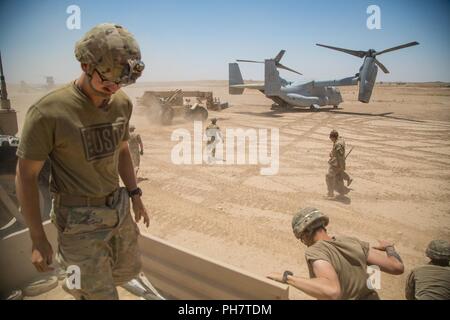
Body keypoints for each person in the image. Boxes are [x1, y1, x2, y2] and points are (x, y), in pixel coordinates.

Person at [15, 23, 149, 300]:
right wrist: (37, 237)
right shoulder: (48, 112)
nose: (113, 88)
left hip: (118, 207)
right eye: (107, 79)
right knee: (98, 294)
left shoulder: (122, 102)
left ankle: (80, 282)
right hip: (78, 220)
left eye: (121, 82)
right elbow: (26, 176)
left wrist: (134, 194)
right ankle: (82, 284)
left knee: (128, 271)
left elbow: (122, 150)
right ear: (86, 65)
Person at [267, 207, 404, 300]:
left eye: (301, 237)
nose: (303, 241)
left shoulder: (315, 251)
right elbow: (397, 267)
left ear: (306, 232)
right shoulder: (352, 241)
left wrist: (287, 278)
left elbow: (332, 291)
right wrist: (389, 248)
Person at [326, 130, 352, 198]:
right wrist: (332, 153)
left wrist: (341, 166)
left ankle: (330, 194)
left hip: (337, 163)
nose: (331, 140)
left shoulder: (338, 145)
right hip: (338, 162)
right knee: (338, 176)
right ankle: (342, 190)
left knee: (329, 176)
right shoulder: (340, 139)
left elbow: (339, 155)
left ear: (334, 137)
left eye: (331, 138)